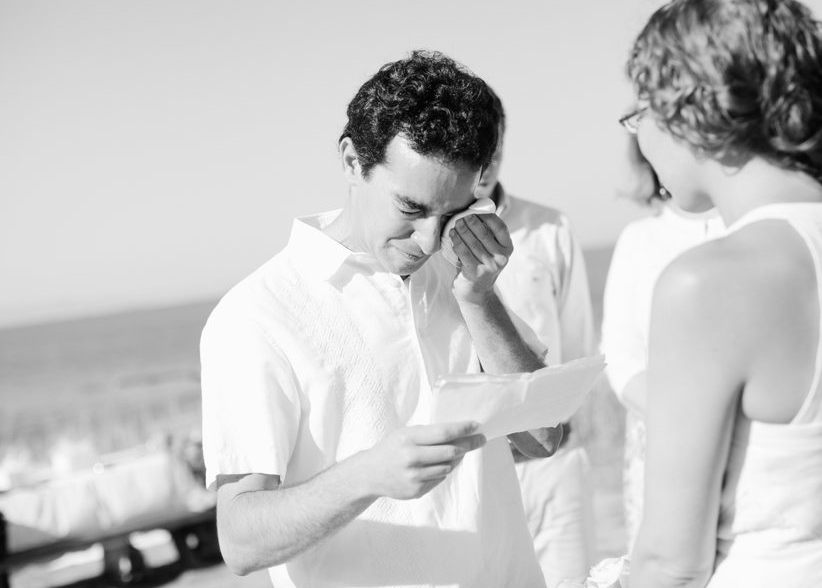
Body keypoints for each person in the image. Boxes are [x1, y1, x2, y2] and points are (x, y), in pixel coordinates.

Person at [622, 0, 822, 587]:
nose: (639, 136)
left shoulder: (708, 283)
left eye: (639, 113)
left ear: (688, 108)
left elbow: (671, 563)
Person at [200, 50, 562, 588]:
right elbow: (239, 540)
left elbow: (543, 437)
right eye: (412, 210)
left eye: (449, 214)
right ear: (351, 161)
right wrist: (366, 476)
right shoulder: (255, 315)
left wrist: (479, 299)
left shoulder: (461, 274)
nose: (428, 240)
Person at [474, 88, 597, 587]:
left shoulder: (550, 227)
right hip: (478, 473)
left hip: (555, 468)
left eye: (494, 150)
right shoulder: (423, 244)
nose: (486, 164)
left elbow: (578, 344)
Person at [601, 138, 723, 547]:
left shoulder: (751, 226)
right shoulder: (639, 239)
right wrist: (689, 424)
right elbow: (620, 354)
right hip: (660, 440)